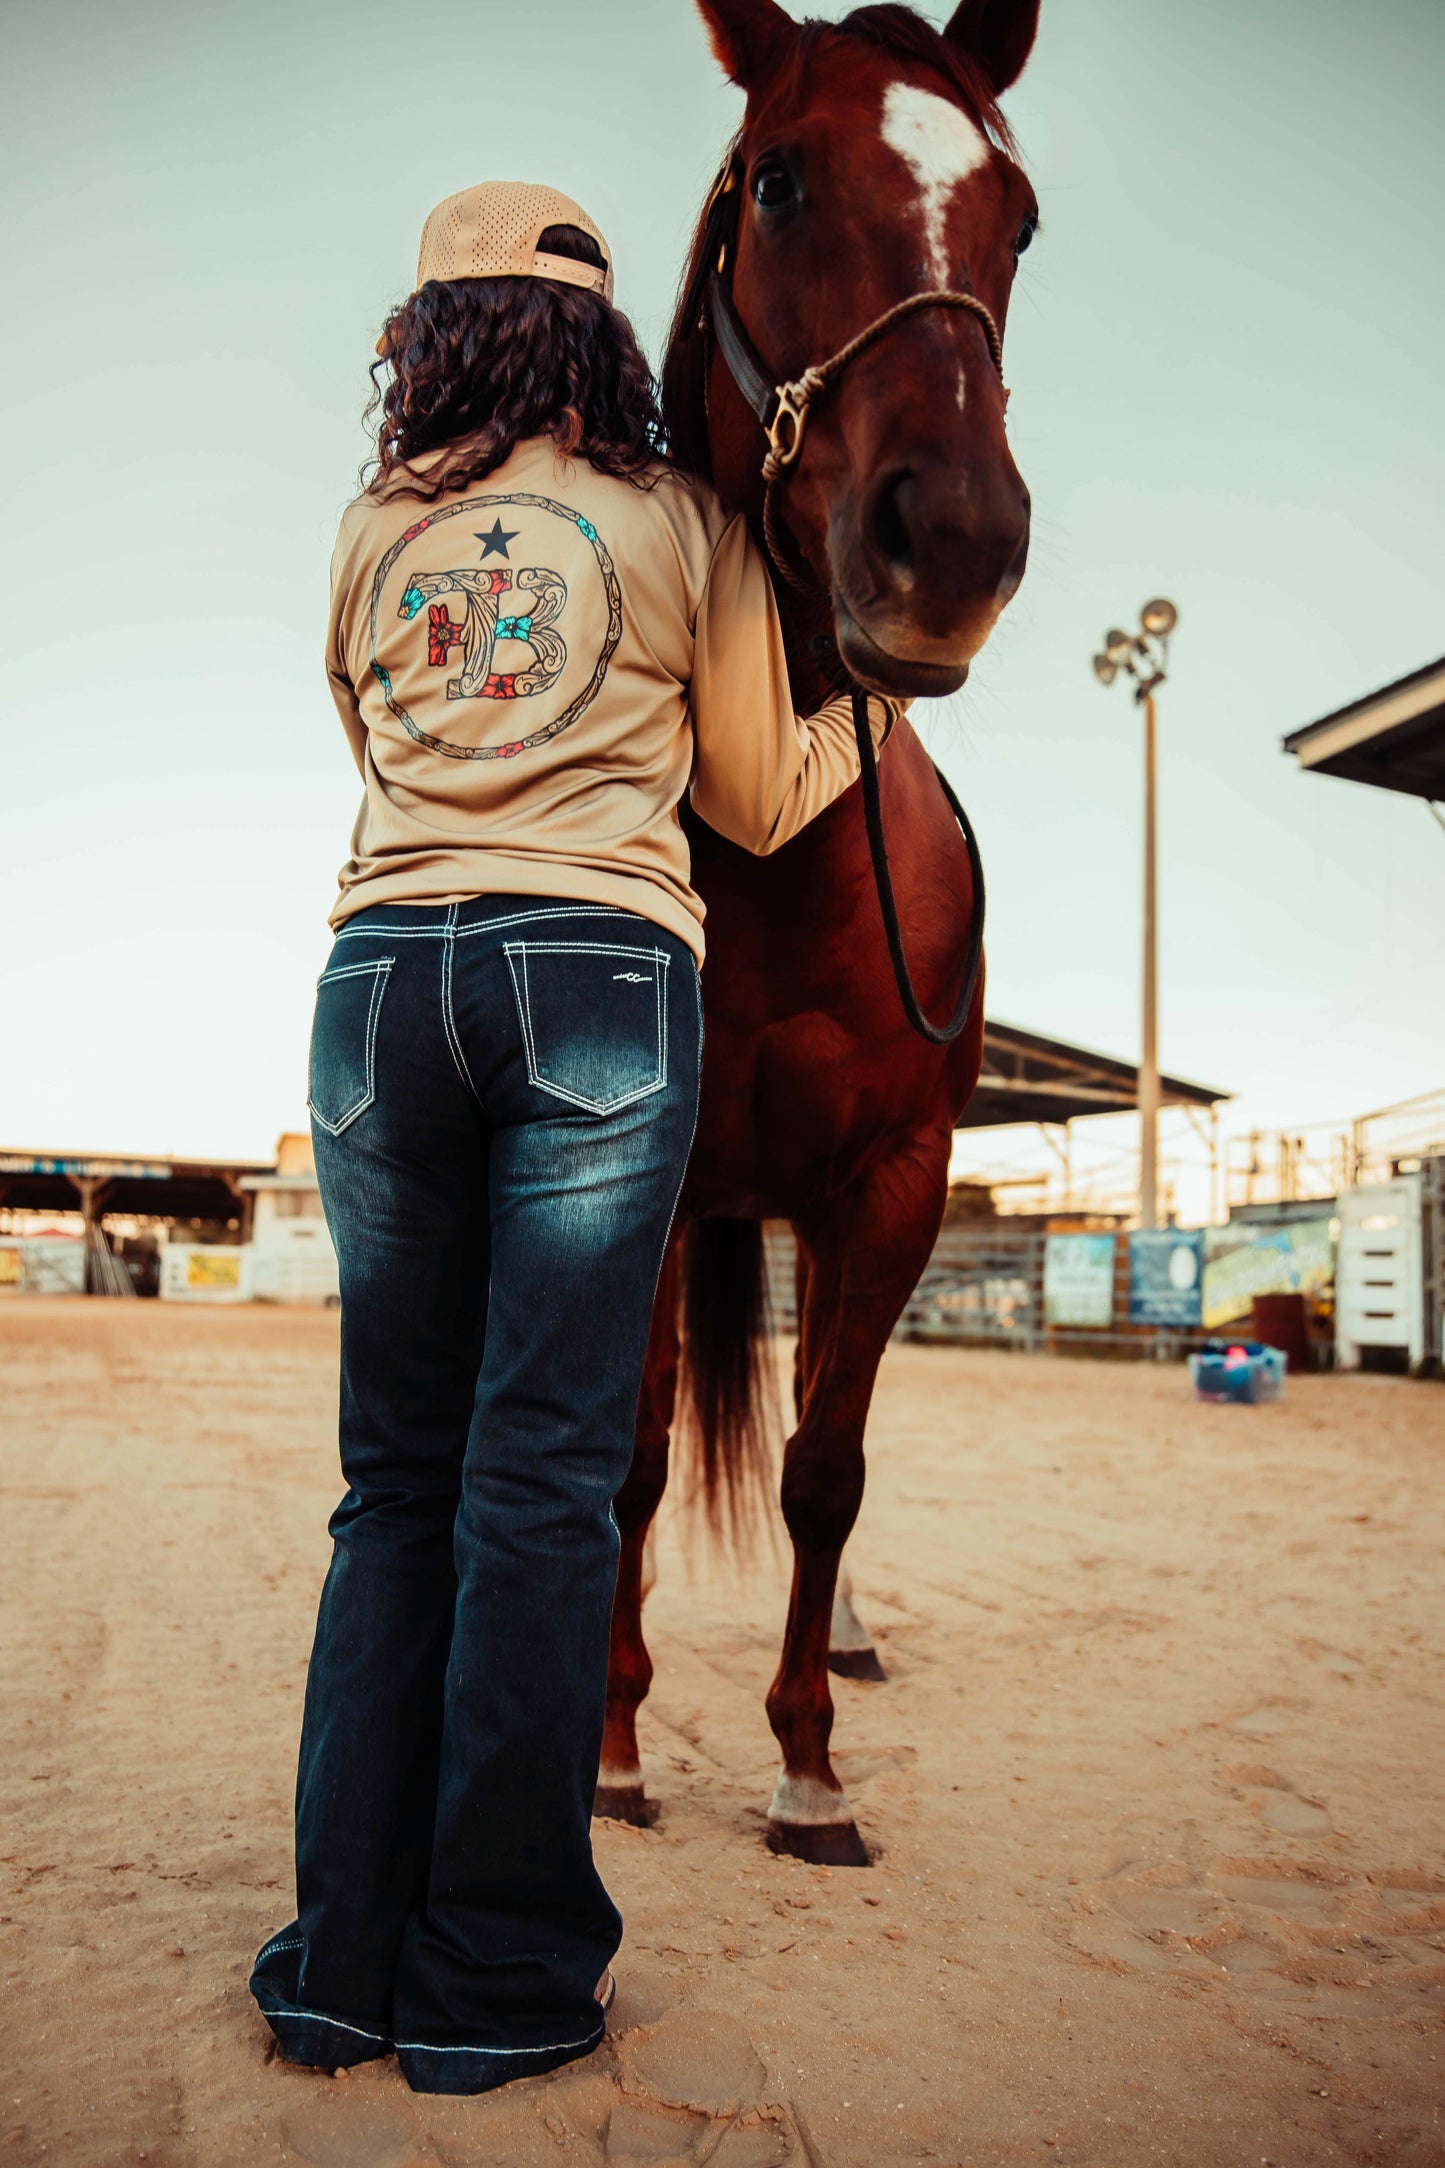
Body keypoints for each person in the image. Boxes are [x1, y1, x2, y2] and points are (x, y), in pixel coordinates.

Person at [249, 180, 897, 2097]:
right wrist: (860, 694)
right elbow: (762, 795)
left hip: (380, 978)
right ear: (603, 333)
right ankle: (497, 1981)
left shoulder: (374, 524)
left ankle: (339, 1963)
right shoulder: (677, 515)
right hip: (597, 974)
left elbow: (371, 744)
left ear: (427, 330)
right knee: (538, 1487)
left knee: (394, 1492)